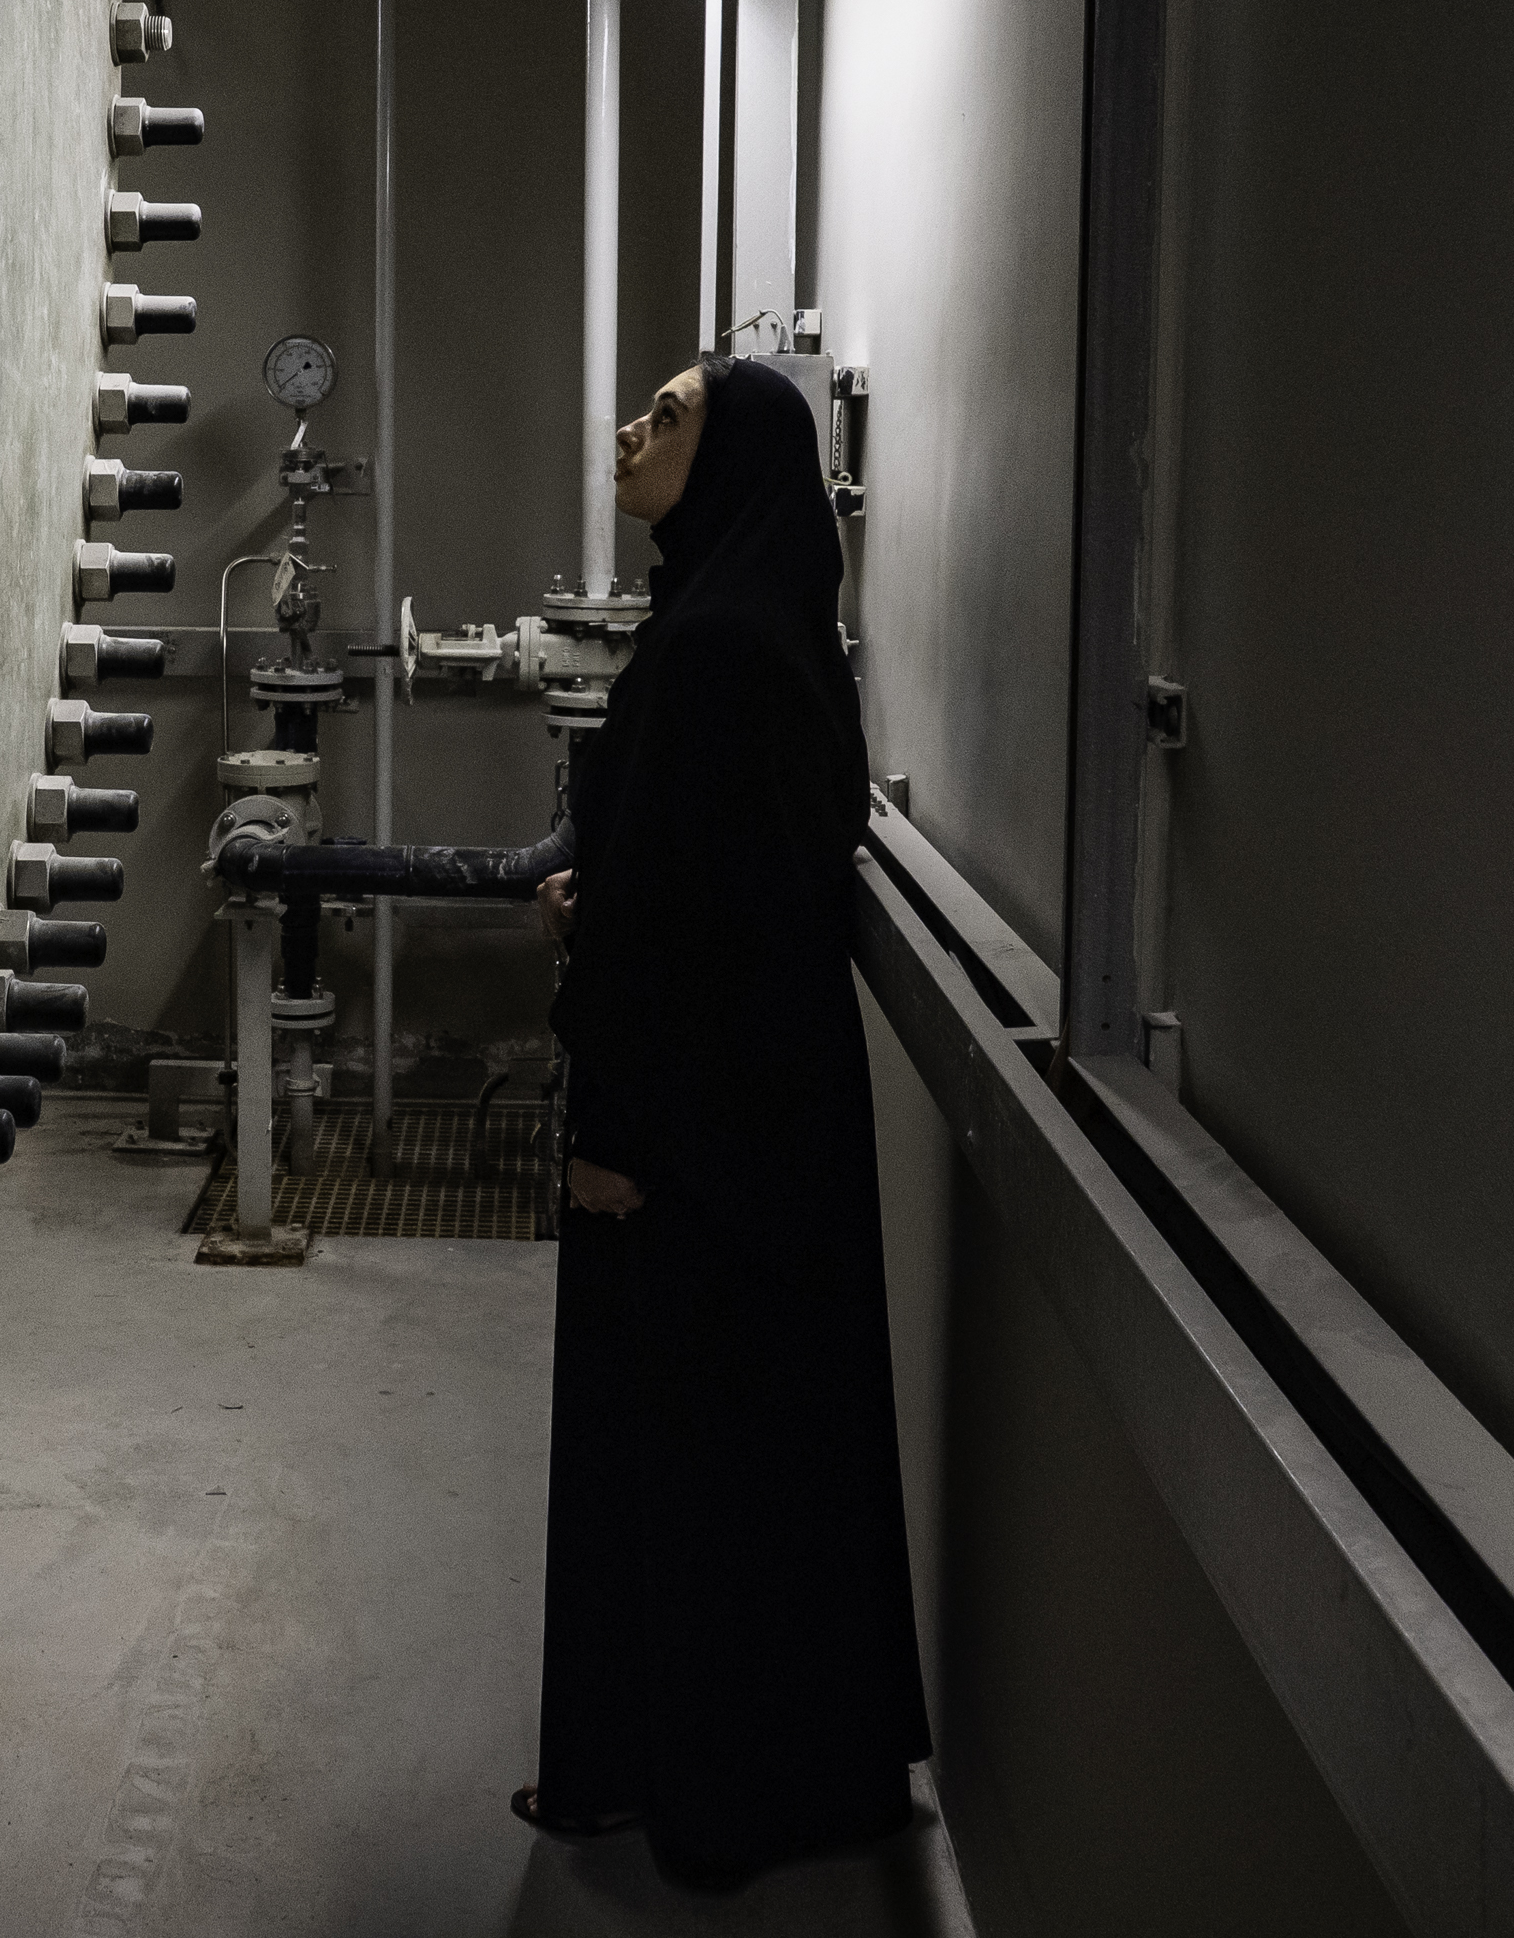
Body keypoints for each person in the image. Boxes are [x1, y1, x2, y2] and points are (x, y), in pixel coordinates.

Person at [514, 355, 928, 1890]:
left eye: (671, 414)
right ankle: (786, 1770)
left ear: (737, 458)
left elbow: (710, 936)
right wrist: (598, 897)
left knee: (710, 1467)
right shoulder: (752, 630)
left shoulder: (717, 654)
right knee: (769, 1454)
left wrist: (615, 1129)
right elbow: (697, 880)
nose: (633, 427)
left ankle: (728, 1792)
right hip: (765, 1126)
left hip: (704, 1145)